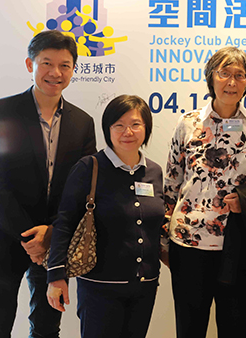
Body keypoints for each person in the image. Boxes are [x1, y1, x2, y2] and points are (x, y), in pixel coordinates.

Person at [163, 46, 246, 338]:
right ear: (211, 78)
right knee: (189, 328)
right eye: (224, 73)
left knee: (234, 328)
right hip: (189, 243)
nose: (231, 81)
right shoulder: (188, 123)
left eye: (239, 75)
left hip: (238, 243)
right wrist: (164, 238)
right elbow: (172, 182)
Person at [0, 30, 96, 338]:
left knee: (47, 327)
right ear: (30, 64)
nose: (56, 72)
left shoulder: (83, 122)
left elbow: (83, 187)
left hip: (55, 241)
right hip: (5, 237)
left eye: (65, 65)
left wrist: (51, 234)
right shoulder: (1, 113)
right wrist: (30, 237)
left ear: (73, 69)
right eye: (46, 63)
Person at [45, 95, 162, 338]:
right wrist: (56, 276)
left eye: (135, 124)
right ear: (107, 129)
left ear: (146, 128)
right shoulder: (89, 167)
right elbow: (65, 222)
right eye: (118, 125)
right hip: (100, 288)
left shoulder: (154, 172)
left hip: (145, 286)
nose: (127, 131)